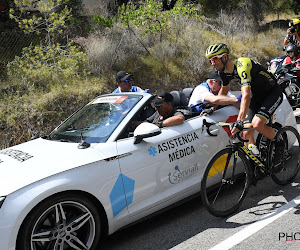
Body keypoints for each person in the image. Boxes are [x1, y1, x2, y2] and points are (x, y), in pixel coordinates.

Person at [205, 43, 284, 165]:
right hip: (257, 95)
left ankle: (279, 144)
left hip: (272, 93)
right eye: (210, 60)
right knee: (246, 132)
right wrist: (213, 108)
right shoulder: (223, 73)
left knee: (257, 124)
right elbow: (224, 91)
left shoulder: (242, 64)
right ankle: (257, 161)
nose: (212, 63)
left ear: (225, 57)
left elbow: (246, 94)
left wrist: (240, 120)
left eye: (215, 59)